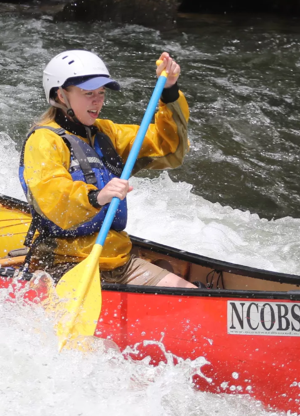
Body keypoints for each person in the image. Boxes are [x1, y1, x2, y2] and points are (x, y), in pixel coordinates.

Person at [19, 49, 197, 288]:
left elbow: (169, 149)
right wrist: (96, 197)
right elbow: (53, 199)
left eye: (101, 93)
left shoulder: (107, 133)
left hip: (115, 260)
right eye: (88, 93)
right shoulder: (43, 141)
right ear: (61, 95)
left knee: (186, 291)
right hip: (64, 263)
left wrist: (170, 91)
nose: (98, 101)